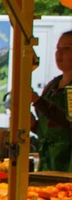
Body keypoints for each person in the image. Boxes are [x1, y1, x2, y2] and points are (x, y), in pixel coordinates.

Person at [33, 31, 72, 172]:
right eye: (58, 48)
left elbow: (68, 120)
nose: (59, 53)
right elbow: (46, 127)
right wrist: (32, 125)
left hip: (68, 164)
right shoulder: (52, 85)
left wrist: (38, 101)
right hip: (47, 162)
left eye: (66, 48)